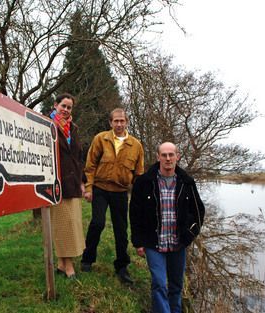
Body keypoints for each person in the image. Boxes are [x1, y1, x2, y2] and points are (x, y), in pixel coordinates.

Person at [129, 142, 205, 313]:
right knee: (158, 283)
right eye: (164, 155)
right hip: (153, 243)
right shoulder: (144, 182)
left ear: (177, 156)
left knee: (176, 286)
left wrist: (190, 234)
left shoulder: (187, 182)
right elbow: (135, 214)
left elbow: (199, 211)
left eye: (171, 154)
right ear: (158, 157)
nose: (168, 158)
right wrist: (138, 242)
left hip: (178, 244)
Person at [81, 108, 144, 285]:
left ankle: (122, 267)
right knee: (97, 223)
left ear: (127, 122)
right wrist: (88, 188)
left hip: (121, 192)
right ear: (110, 123)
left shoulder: (136, 145)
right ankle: (87, 259)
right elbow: (90, 166)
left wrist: (139, 197)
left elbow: (139, 173)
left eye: (122, 121)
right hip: (100, 189)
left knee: (121, 230)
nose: (119, 124)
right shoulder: (101, 139)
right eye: (115, 121)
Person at [49, 93, 85, 279]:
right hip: (56, 184)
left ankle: (62, 263)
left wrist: (82, 182)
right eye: (63, 105)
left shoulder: (74, 128)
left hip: (73, 184)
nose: (66, 110)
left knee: (72, 224)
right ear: (55, 105)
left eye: (69, 107)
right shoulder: (47, 126)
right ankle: (68, 264)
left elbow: (79, 156)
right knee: (63, 225)